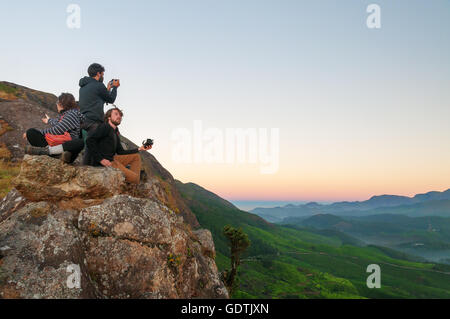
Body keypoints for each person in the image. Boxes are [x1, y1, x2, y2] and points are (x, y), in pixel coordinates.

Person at [86, 107, 152, 184]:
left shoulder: (114, 133)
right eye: (116, 114)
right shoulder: (105, 127)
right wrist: (101, 159)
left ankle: (132, 177)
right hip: (108, 162)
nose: (119, 116)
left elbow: (120, 151)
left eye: (120, 115)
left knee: (136, 156)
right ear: (109, 117)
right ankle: (133, 178)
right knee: (134, 178)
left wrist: (140, 149)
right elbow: (89, 140)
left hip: (113, 158)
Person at [23, 93, 85, 163]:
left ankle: (46, 152)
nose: (56, 105)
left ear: (61, 104)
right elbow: (58, 122)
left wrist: (39, 132)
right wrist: (49, 120)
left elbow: (57, 130)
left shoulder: (72, 115)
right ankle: (57, 155)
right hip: (57, 146)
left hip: (65, 146)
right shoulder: (65, 115)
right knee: (31, 132)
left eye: (57, 102)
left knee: (79, 143)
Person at [79, 63, 120, 165]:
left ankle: (88, 166)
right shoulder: (98, 85)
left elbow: (98, 98)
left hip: (83, 120)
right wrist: (115, 88)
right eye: (102, 74)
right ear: (98, 73)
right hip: (94, 121)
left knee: (89, 143)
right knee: (93, 144)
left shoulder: (83, 87)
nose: (103, 76)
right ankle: (88, 168)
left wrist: (108, 89)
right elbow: (110, 99)